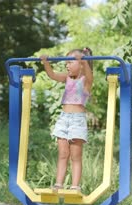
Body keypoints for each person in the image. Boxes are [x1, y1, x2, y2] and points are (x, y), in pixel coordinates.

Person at [40, 48, 94, 192]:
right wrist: (46, 63)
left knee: (75, 156)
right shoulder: (67, 78)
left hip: (77, 121)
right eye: (66, 63)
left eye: (70, 62)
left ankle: (75, 186)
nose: (67, 65)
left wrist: (84, 60)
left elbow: (89, 74)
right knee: (63, 154)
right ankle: (59, 184)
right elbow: (52, 75)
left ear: (81, 64)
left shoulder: (86, 81)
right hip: (63, 119)